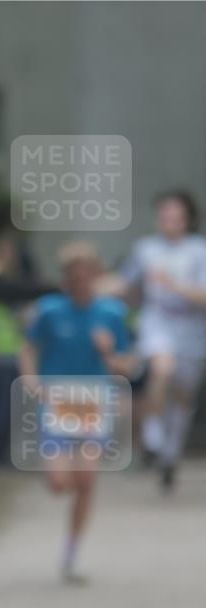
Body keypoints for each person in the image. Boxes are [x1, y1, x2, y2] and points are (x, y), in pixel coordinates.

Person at [19, 243, 133, 584]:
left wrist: (110, 352)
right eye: (74, 275)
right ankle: (55, 472)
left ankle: (71, 551)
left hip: (94, 400)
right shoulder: (50, 310)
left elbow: (126, 365)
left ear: (95, 276)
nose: (81, 280)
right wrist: (31, 380)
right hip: (58, 400)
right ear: (66, 278)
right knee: (59, 483)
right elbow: (28, 347)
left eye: (87, 274)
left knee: (86, 480)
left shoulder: (111, 313)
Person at [118, 191, 206, 489]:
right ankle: (153, 436)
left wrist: (175, 286)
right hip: (156, 323)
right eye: (165, 217)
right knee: (161, 369)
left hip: (192, 330)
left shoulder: (199, 250)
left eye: (176, 218)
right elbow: (125, 283)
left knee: (182, 399)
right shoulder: (145, 249)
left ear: (188, 220)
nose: (170, 223)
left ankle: (170, 454)